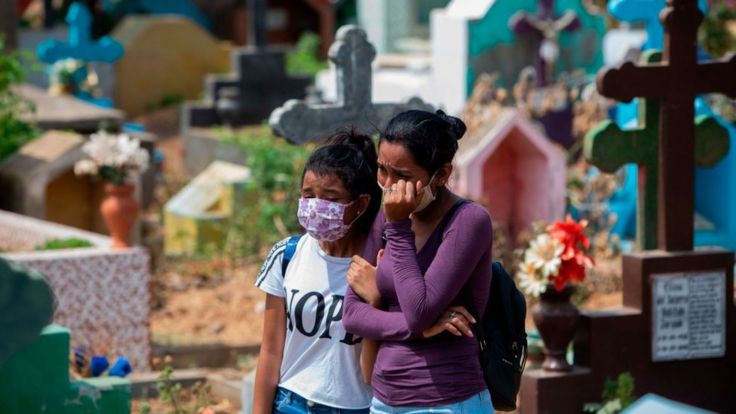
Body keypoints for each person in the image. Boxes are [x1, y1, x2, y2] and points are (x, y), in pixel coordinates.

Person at [342, 110, 494, 413]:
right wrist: (421, 327)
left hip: (445, 400)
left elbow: (419, 311)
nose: (389, 185)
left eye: (404, 176)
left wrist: (399, 229)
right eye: (382, 170)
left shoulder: (467, 221)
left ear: (442, 175)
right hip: (385, 399)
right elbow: (351, 314)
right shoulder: (386, 215)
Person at [252, 130, 383, 414]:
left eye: (331, 198)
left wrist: (377, 299)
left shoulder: (379, 264)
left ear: (360, 204)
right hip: (291, 404)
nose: (316, 207)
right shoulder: (287, 255)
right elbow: (271, 351)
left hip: (358, 407)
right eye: (308, 195)